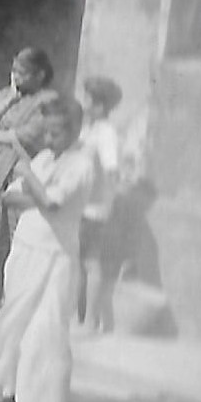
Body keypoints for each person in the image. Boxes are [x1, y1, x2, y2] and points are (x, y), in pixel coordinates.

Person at [0, 95, 95, 402]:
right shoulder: (45, 159)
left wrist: (28, 177)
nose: (48, 140)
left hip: (55, 257)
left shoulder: (81, 164)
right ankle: (16, 394)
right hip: (26, 250)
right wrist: (37, 192)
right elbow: (10, 197)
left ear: (75, 130)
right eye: (46, 132)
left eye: (56, 133)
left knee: (45, 332)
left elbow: (54, 204)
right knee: (15, 325)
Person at [0, 47, 58, 317]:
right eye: (14, 70)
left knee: (15, 237)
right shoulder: (7, 95)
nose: (16, 76)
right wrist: (9, 100)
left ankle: (14, 302)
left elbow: (36, 134)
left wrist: (2, 136)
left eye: (23, 72)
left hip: (21, 171)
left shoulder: (48, 100)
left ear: (40, 75)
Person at [78, 75, 124, 333]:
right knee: (80, 264)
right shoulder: (89, 129)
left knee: (91, 264)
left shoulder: (106, 133)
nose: (84, 103)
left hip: (95, 210)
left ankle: (90, 321)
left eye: (88, 99)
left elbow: (111, 170)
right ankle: (82, 317)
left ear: (100, 105)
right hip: (81, 207)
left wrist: (108, 202)